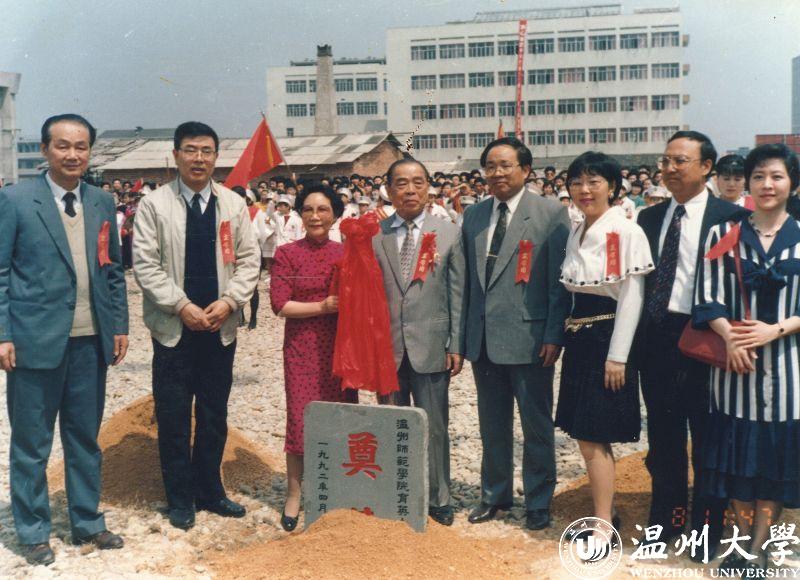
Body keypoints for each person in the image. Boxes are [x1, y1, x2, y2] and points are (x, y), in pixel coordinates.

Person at [0, 114, 129, 565]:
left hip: (90, 341)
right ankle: (34, 531)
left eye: (81, 146)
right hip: (34, 341)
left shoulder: (101, 201)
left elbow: (112, 270)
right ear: (45, 149)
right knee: (32, 444)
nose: (73, 155)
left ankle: (88, 521)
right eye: (63, 146)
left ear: (90, 151)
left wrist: (119, 325)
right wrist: (3, 334)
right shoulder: (15, 200)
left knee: (84, 438)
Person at [132, 122, 260, 531]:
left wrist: (230, 301)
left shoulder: (232, 204)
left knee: (213, 412)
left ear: (216, 157)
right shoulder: (154, 205)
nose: (198, 158)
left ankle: (209, 490)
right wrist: (181, 305)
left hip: (219, 327)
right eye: (190, 150)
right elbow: (146, 265)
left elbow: (250, 260)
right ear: (176, 156)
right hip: (174, 328)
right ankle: (180, 497)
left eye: (206, 151)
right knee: (173, 415)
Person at [635, 130, 747, 559]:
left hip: (706, 337)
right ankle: (665, 521)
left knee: (707, 437)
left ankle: (706, 527)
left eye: (680, 161)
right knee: (664, 438)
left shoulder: (732, 218)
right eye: (665, 161)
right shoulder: (648, 218)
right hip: (657, 337)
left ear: (706, 167)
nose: (669, 168)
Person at [693, 144, 800, 573]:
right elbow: (706, 296)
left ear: (792, 184)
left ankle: (760, 547)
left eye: (776, 176)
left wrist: (776, 329)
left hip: (789, 370)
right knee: (736, 462)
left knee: (773, 464)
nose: (766, 184)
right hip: (735, 370)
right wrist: (731, 338)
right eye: (759, 176)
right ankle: (739, 544)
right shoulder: (725, 234)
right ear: (748, 184)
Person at [460, 137, 570, 530]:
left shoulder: (551, 213)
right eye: (490, 166)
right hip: (483, 339)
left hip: (530, 338)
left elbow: (558, 282)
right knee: (492, 425)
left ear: (525, 169)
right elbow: (468, 282)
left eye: (505, 165)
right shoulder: (474, 215)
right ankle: (495, 495)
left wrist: (554, 334)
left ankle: (539, 501)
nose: (497, 173)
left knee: (536, 425)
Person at [556, 152, 654, 530]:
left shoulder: (626, 230)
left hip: (607, 337)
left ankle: (602, 524)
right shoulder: (576, 229)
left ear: (612, 186)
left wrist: (618, 356)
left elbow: (632, 296)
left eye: (594, 182)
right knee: (585, 435)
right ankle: (604, 511)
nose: (585, 189)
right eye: (577, 182)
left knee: (594, 434)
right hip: (580, 338)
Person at [372, 158, 465, 526]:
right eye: (401, 183)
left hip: (432, 344)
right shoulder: (375, 235)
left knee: (435, 426)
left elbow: (457, 293)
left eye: (417, 182)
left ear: (428, 187)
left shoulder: (449, 232)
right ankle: (398, 493)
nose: (409, 190)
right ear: (388, 190)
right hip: (387, 348)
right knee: (392, 424)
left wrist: (455, 343)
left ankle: (439, 497)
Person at [270, 183, 358, 532]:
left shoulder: (347, 253)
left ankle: (336, 488)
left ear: (335, 215)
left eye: (323, 209)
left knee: (342, 413)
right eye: (308, 209)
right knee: (300, 417)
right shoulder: (287, 253)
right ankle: (295, 493)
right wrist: (322, 306)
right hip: (302, 346)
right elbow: (280, 304)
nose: (315, 216)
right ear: (300, 214)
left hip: (341, 347)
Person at [233, 186, 269, 330]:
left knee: (253, 286)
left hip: (253, 250)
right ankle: (240, 315)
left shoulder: (257, 212)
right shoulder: (230, 211)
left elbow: (263, 233)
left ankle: (253, 316)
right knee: (236, 283)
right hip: (235, 251)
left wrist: (255, 243)